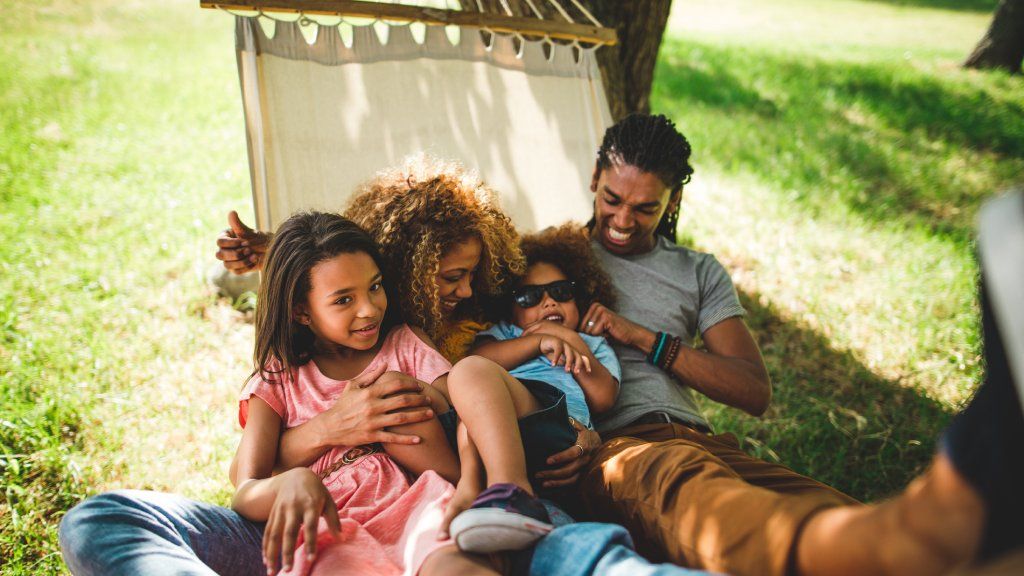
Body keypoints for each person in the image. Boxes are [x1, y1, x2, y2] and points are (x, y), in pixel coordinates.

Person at [59, 158, 687, 576]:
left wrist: (472, 479)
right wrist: (299, 473)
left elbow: (471, 401)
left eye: (379, 289)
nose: (370, 309)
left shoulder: (408, 341)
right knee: (98, 518)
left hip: (426, 512)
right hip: (322, 530)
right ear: (301, 312)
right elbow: (246, 483)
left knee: (555, 549)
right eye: (345, 302)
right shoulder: (280, 377)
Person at [448, 224, 622, 549]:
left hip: (560, 428)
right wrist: (539, 341)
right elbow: (480, 359)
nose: (548, 303)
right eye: (530, 297)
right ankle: (483, 492)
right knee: (472, 381)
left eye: (561, 292)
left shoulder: (591, 344)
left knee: (472, 376)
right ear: (509, 308)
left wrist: (569, 339)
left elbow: (603, 397)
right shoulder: (507, 334)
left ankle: (513, 494)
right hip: (504, 430)